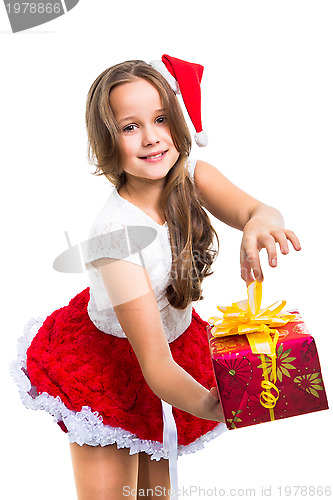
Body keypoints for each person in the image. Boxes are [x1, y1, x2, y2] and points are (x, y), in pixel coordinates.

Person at [10, 55, 301, 500]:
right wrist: (211, 403)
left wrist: (260, 223)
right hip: (114, 364)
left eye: (161, 118)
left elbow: (256, 211)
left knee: (153, 495)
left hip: (170, 347)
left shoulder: (194, 177)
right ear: (107, 140)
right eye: (130, 127)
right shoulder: (116, 238)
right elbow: (156, 365)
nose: (151, 138)